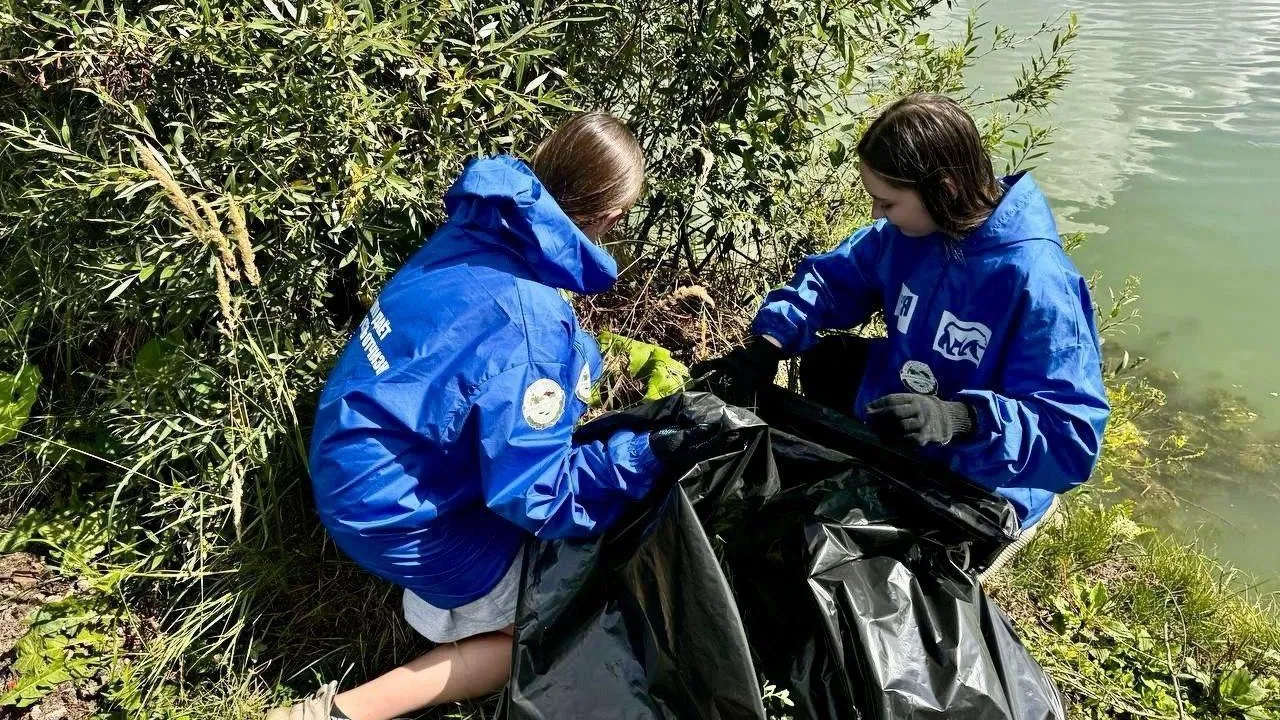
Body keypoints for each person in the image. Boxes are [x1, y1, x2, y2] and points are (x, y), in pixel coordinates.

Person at [268, 113, 713, 720]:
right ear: (609, 219)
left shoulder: (472, 233)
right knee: (547, 620)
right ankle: (336, 713)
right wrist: (643, 456)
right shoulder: (533, 324)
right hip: (391, 510)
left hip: (348, 453)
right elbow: (538, 495)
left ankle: (446, 594)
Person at [696, 93, 1110, 533]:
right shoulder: (907, 233)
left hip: (978, 470)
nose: (877, 214)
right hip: (904, 419)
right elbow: (832, 280)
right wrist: (768, 345)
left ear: (945, 189)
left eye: (888, 202)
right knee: (828, 360)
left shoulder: (1038, 281)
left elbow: (1073, 438)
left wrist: (960, 419)